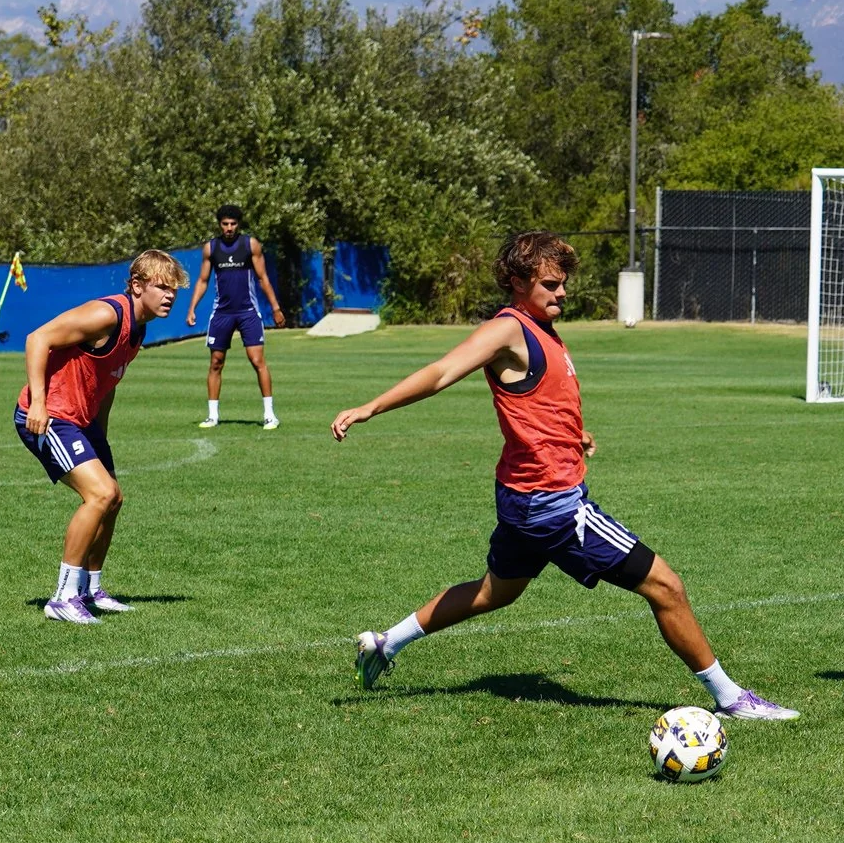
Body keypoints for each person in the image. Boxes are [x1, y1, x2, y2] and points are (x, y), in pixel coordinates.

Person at [332, 231, 797, 722]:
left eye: (563, 283)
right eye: (551, 283)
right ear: (517, 282)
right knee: (666, 586)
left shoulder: (541, 327)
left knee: (496, 591)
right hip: (553, 504)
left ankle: (386, 644)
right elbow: (442, 371)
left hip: (521, 494)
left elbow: (539, 401)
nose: (563, 293)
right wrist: (370, 408)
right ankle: (731, 698)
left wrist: (574, 435)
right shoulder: (507, 329)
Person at [18, 250, 187, 624]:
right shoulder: (107, 314)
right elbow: (37, 338)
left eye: (173, 289)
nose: (170, 295)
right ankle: (62, 597)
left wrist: (100, 434)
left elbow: (106, 382)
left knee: (114, 499)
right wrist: (39, 404)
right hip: (50, 416)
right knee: (100, 494)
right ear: (138, 285)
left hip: (82, 422)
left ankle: (90, 589)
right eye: (161, 287)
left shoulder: (139, 328)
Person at [185, 204, 286, 430]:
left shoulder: (250, 245)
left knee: (257, 361)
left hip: (248, 312)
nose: (229, 228)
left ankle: (270, 415)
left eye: (233, 224)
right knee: (216, 363)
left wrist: (276, 308)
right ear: (219, 225)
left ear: (238, 224)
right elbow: (202, 280)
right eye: (225, 224)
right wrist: (192, 308)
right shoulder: (211, 248)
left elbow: (263, 279)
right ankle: (213, 416)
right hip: (222, 313)